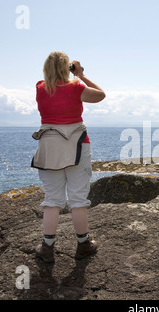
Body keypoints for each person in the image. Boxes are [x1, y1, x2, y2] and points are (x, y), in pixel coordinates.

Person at [32, 51, 106, 263]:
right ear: (68, 69)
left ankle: (47, 248)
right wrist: (80, 74)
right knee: (78, 199)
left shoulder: (40, 88)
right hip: (78, 147)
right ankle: (83, 244)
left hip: (49, 149)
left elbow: (53, 86)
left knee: (52, 200)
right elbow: (101, 95)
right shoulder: (76, 87)